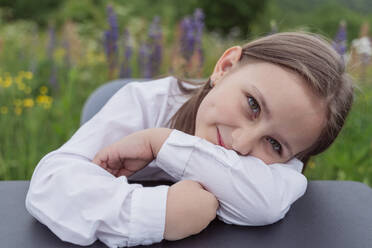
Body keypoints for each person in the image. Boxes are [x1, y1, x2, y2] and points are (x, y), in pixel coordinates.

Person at [25, 32, 354, 248]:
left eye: (275, 144)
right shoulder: (146, 103)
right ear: (225, 67)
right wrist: (159, 214)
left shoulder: (292, 149)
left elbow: (264, 203)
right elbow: (51, 183)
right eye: (252, 105)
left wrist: (161, 143)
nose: (241, 145)